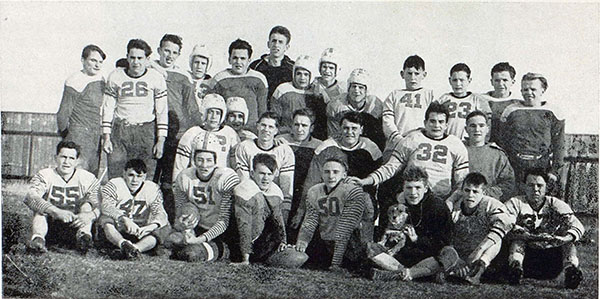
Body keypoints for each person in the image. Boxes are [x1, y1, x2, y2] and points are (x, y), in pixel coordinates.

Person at [352, 102, 469, 200]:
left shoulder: (456, 144)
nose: (436, 125)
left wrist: (451, 201)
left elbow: (461, 180)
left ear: (446, 125)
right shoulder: (412, 139)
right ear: (425, 122)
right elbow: (391, 167)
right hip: (411, 196)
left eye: (441, 122)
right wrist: (366, 181)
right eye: (432, 121)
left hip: (440, 198)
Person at [369, 166, 455, 282]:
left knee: (449, 253)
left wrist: (417, 239)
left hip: (428, 255)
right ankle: (418, 273)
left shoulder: (437, 207)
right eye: (409, 188)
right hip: (402, 255)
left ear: (425, 188)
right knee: (371, 248)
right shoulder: (396, 204)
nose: (413, 193)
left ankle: (401, 275)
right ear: (403, 188)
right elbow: (384, 232)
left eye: (417, 188)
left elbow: (444, 241)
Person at [298, 112, 380, 230]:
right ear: (340, 129)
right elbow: (312, 181)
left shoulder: (371, 148)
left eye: (354, 128)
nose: (349, 132)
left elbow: (376, 181)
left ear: (361, 130)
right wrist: (302, 210)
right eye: (346, 128)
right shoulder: (327, 147)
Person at [504, 169, 584, 289]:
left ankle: (571, 270)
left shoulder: (555, 203)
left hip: (551, 257)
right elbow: (504, 221)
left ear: (546, 187)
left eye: (540, 185)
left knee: (569, 241)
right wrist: (524, 234)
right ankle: (515, 268)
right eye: (531, 185)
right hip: (526, 257)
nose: (535, 189)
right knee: (518, 240)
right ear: (524, 186)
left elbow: (577, 224)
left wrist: (563, 239)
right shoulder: (516, 203)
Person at [102, 38, 168, 181]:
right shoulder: (115, 76)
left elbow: (161, 111)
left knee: (144, 176)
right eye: (132, 57)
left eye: (140, 58)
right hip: (121, 130)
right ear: (127, 57)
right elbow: (107, 108)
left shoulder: (156, 78)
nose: (136, 62)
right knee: (116, 175)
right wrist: (106, 137)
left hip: (145, 131)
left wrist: (161, 140)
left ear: (147, 59)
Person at [295, 157, 371, 273]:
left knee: (360, 265)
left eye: (335, 172)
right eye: (327, 172)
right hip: (327, 240)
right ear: (321, 174)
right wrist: (302, 241)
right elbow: (310, 219)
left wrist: (336, 263)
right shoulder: (314, 191)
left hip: (352, 242)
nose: (331, 176)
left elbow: (345, 229)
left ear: (344, 175)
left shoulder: (352, 191)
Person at [24, 141, 100, 254]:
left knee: (87, 206)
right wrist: (55, 211)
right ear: (56, 158)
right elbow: (31, 197)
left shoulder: (87, 177)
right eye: (63, 157)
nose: (66, 162)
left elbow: (101, 205)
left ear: (77, 161)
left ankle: (84, 238)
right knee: (40, 211)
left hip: (77, 224)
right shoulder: (45, 174)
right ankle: (38, 240)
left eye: (71, 158)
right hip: (51, 225)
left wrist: (89, 215)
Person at [169, 144, 241, 262]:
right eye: (200, 160)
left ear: (215, 161)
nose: (204, 165)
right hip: (198, 228)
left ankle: (224, 250)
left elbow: (224, 220)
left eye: (209, 160)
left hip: (220, 233)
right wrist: (187, 229)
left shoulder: (225, 177)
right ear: (194, 160)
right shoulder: (184, 176)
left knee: (191, 254)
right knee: (169, 241)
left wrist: (199, 240)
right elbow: (180, 208)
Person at [444, 172, 515, 285]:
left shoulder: (490, 204)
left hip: (481, 252)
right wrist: (455, 259)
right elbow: (444, 234)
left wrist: (479, 250)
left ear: (484, 192)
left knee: (496, 238)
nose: (470, 195)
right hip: (459, 253)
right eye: (467, 190)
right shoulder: (454, 206)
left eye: (475, 191)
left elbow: (505, 224)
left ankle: (479, 269)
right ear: (462, 191)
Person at [233, 154, 304, 266]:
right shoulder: (244, 190)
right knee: (258, 200)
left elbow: (278, 219)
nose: (266, 178)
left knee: (297, 257)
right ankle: (248, 255)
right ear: (252, 174)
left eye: (269, 174)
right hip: (239, 241)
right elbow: (244, 226)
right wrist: (245, 259)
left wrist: (282, 241)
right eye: (261, 173)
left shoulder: (275, 190)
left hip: (262, 241)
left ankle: (267, 255)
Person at [500, 73, 565, 194]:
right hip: (515, 166)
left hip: (541, 165)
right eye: (525, 89)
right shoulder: (511, 111)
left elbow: (559, 144)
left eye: (533, 89)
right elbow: (503, 143)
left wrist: (554, 171)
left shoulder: (553, 112)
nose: (528, 93)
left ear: (543, 90)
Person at [151, 34, 202, 187]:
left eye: (174, 52)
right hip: (152, 129)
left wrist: (199, 129)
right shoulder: (148, 69)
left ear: (179, 55)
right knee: (150, 174)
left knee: (168, 178)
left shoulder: (183, 76)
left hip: (175, 132)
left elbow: (191, 106)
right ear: (159, 50)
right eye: (167, 51)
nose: (170, 56)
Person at [99, 159, 169, 259]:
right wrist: (124, 218)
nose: (135, 180)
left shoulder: (152, 188)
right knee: (105, 219)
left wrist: (151, 226)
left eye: (139, 176)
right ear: (124, 174)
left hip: (140, 230)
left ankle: (134, 249)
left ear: (144, 177)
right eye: (131, 175)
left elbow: (160, 212)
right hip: (119, 229)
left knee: (164, 226)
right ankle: (122, 244)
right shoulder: (114, 184)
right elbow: (106, 206)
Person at [234, 112, 295, 222]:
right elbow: (244, 181)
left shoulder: (284, 150)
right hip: (251, 198)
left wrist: (285, 210)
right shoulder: (245, 147)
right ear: (257, 126)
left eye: (271, 127)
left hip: (274, 199)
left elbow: (286, 185)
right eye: (263, 125)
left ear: (276, 130)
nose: (266, 129)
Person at [56, 44, 106, 175]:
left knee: (91, 176)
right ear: (83, 60)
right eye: (93, 60)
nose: (97, 65)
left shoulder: (101, 79)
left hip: (95, 134)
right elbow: (62, 114)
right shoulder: (75, 80)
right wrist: (68, 135)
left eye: (100, 62)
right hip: (79, 133)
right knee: (78, 174)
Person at [274, 109, 322, 234]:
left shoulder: (319, 146)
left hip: (305, 193)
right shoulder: (280, 140)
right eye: (296, 124)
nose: (300, 129)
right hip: (283, 190)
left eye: (304, 125)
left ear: (311, 128)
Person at [173, 94, 239, 184]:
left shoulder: (230, 133)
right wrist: (176, 185)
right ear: (204, 113)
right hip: (195, 181)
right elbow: (180, 164)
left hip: (221, 182)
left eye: (217, 113)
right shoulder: (192, 133)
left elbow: (236, 163)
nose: (213, 116)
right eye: (210, 112)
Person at [209, 39, 268, 129]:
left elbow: (262, 111)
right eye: (235, 58)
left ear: (249, 60)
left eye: (243, 58)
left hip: (252, 130)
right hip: (226, 129)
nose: (238, 62)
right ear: (229, 59)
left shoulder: (259, 78)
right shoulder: (219, 79)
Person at [270, 55, 327, 140]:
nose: (302, 78)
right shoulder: (283, 89)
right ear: (294, 74)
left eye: (306, 74)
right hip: (285, 137)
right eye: (299, 74)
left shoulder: (318, 92)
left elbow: (321, 121)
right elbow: (274, 117)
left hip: (309, 139)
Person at [382, 55, 435, 145]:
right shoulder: (394, 95)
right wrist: (398, 139)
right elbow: (387, 121)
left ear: (424, 75)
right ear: (402, 74)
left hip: (421, 143)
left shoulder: (430, 95)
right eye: (409, 73)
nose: (413, 78)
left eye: (417, 73)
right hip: (398, 143)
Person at [326, 68, 385, 150]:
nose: (356, 90)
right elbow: (333, 135)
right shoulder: (336, 105)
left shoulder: (375, 105)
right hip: (342, 143)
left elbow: (379, 136)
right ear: (348, 88)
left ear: (366, 90)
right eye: (354, 86)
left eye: (360, 87)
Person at [463, 110, 515, 201]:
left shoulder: (497, 154)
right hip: (460, 199)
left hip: (488, 200)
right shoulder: (458, 149)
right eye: (472, 126)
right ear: (466, 129)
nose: (477, 130)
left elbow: (508, 182)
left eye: (481, 126)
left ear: (487, 129)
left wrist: (485, 193)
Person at [437, 63, 492, 141]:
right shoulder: (443, 99)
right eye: (455, 80)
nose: (458, 84)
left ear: (469, 80)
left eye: (461, 80)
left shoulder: (478, 100)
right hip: (447, 141)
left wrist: (484, 141)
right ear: (450, 81)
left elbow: (487, 123)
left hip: (470, 143)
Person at [481, 62, 521, 148]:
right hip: (486, 148)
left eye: (505, 80)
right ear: (491, 81)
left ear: (512, 81)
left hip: (511, 149)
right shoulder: (481, 100)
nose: (501, 84)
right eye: (497, 80)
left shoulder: (518, 104)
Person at [249, 25, 295, 101]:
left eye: (280, 42)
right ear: (268, 44)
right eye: (274, 41)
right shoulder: (256, 66)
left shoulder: (293, 68)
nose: (276, 45)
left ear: (287, 47)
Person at [187, 44, 213, 108]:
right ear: (191, 63)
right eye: (196, 62)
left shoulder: (211, 84)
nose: (199, 66)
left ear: (207, 66)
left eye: (203, 63)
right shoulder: (184, 80)